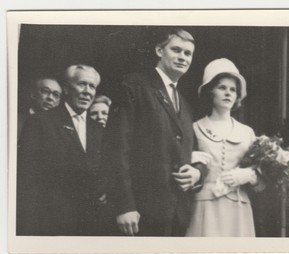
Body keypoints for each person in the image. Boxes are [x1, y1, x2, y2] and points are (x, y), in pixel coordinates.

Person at [104, 29, 206, 236]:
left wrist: (197, 173)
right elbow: (116, 147)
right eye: (176, 50)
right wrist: (125, 205)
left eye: (188, 54)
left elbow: (194, 149)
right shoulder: (134, 85)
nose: (182, 57)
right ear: (160, 50)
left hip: (177, 213)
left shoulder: (184, 104)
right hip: (140, 213)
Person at [17, 64, 110, 236]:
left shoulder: (100, 129)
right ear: (66, 88)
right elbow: (26, 176)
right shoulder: (40, 122)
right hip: (51, 223)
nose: (87, 91)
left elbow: (106, 169)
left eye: (92, 87)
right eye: (82, 84)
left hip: (92, 223)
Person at [186, 58, 263, 237]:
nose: (228, 93)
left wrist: (250, 176)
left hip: (238, 207)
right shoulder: (195, 128)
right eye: (222, 88)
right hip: (204, 206)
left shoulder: (247, 132)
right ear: (210, 91)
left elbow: (262, 182)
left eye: (233, 89)